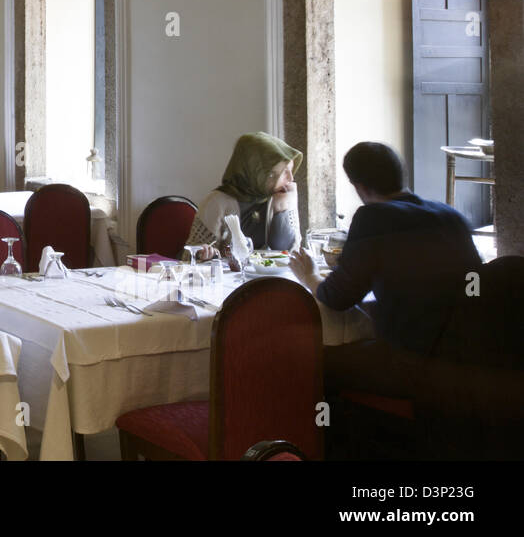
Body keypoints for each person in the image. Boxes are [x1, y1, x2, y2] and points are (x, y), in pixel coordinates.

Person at [287, 142, 495, 455]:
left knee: (313, 362)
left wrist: (310, 275)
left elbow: (338, 296)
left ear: (358, 186)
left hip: (412, 362)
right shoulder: (448, 215)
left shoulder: (374, 217)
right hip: (470, 359)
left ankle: (325, 449)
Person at [183, 131, 301, 266]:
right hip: (231, 284)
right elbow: (188, 258)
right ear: (260, 173)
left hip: (272, 281)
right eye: (284, 172)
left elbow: (289, 253)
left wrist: (282, 209)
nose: (291, 178)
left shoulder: (282, 195)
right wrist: (205, 255)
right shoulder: (217, 202)